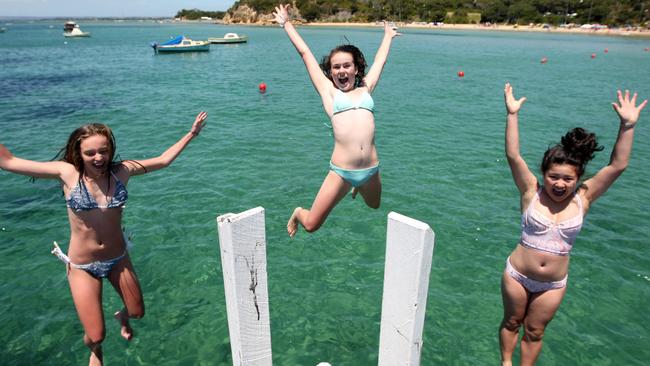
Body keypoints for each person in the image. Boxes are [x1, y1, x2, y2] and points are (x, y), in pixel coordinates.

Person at [0, 111, 207, 366]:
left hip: (118, 258)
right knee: (96, 335)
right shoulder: (66, 173)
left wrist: (192, 134)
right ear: (79, 153)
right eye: (90, 153)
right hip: (82, 266)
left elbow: (164, 160)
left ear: (110, 150)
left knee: (137, 313)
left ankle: (123, 317)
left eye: (103, 151)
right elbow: (8, 161)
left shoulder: (123, 171)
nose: (98, 157)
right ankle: (95, 350)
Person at [500, 83, 646, 366]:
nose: (560, 183)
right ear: (544, 174)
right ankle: (505, 363)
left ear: (578, 179)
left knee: (535, 331)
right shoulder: (531, 191)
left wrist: (627, 126)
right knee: (511, 322)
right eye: (554, 176)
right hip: (517, 274)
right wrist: (512, 114)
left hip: (553, 284)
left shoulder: (584, 198)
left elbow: (617, 165)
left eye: (568, 179)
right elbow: (513, 156)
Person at [273, 3, 400, 238]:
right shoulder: (329, 92)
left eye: (347, 66)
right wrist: (286, 24)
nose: (341, 71)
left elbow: (380, 62)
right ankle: (298, 212)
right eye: (336, 67)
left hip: (371, 169)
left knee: (374, 205)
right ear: (330, 72)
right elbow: (305, 54)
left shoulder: (366, 88)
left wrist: (388, 36)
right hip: (342, 171)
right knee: (311, 225)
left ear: (356, 69)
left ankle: (358, 187)